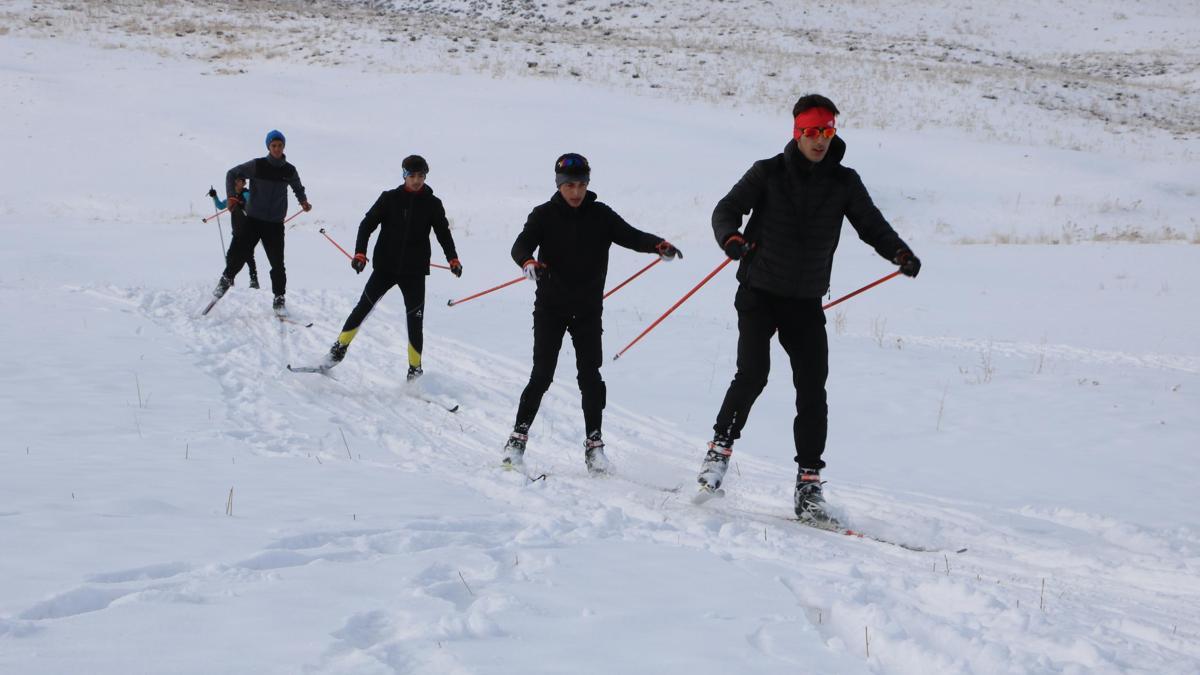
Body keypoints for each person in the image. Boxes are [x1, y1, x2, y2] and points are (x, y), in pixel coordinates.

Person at [695, 94, 921, 522]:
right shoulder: (767, 172)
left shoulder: (844, 182)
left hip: (805, 300)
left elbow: (871, 224)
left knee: (813, 390)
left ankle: (808, 487)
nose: (820, 140)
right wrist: (731, 239)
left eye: (827, 131)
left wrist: (899, 253)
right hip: (759, 292)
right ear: (796, 133)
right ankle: (717, 453)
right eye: (812, 132)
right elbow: (726, 210)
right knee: (753, 374)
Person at [502, 153, 682, 474]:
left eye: (582, 185)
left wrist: (658, 245)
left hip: (587, 310)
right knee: (542, 375)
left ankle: (594, 448)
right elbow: (520, 245)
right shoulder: (543, 215)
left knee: (590, 377)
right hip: (550, 309)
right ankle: (516, 441)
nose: (576, 192)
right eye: (569, 185)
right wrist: (527, 262)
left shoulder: (601, 215)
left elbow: (631, 235)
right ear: (559, 186)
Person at [322, 155, 462, 380]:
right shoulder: (390, 199)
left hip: (414, 272)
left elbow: (443, 233)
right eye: (412, 176)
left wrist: (452, 259)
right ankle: (338, 349)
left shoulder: (433, 204)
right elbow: (366, 225)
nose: (416, 181)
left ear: (426, 176)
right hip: (385, 268)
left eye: (421, 176)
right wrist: (360, 253)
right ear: (404, 175)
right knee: (363, 308)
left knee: (415, 322)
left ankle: (414, 370)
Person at [210, 129, 311, 316]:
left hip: (274, 223)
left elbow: (297, 186)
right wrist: (231, 196)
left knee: (277, 264)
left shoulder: (289, 170)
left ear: (284, 146)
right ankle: (225, 281)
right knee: (240, 253)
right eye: (273, 145)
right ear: (268, 146)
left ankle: (279, 298)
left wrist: (303, 200)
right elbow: (231, 173)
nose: (277, 149)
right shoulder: (257, 165)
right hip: (254, 220)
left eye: (280, 145)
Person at [208, 177, 258, 289]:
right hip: (237, 230)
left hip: (248, 230)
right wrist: (214, 196)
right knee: (230, 255)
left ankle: (254, 280)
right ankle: (230, 278)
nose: (236, 183)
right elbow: (221, 206)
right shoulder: (232, 196)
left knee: (248, 255)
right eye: (235, 181)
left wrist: (242, 204)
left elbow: (253, 205)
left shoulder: (246, 194)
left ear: (244, 183)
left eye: (239, 181)